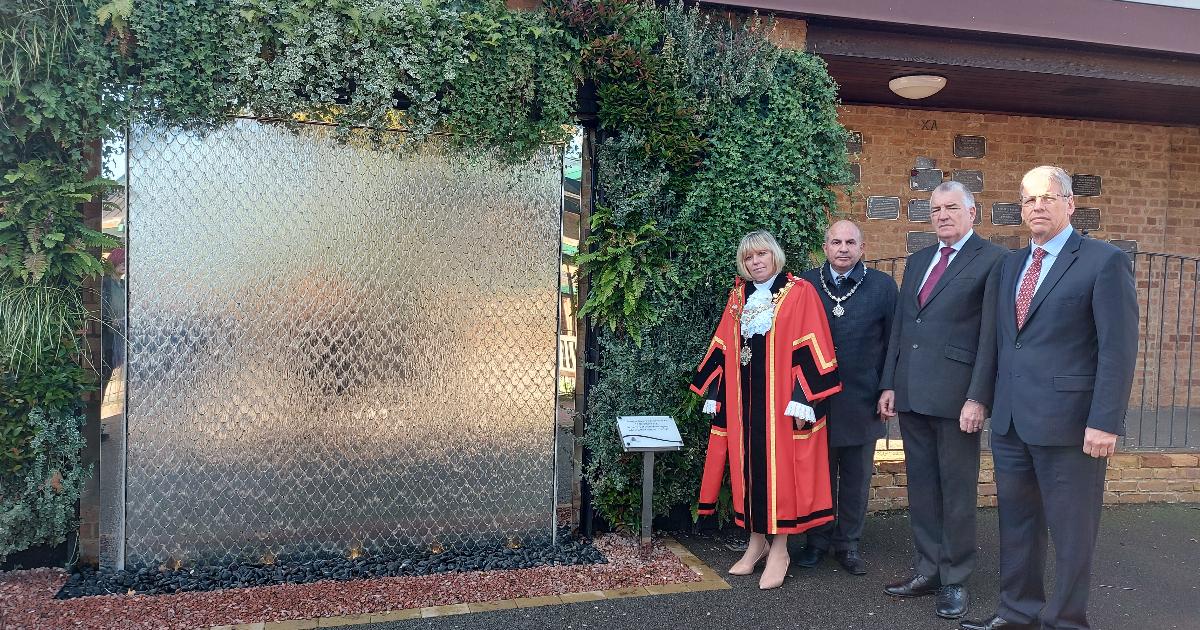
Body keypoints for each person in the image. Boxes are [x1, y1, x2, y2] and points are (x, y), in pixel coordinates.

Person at [962, 166, 1138, 630]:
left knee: (1072, 532)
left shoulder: (1103, 261)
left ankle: (1065, 621)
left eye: (1047, 197)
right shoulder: (1009, 265)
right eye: (1028, 199)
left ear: (1069, 205)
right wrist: (979, 398)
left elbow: (1117, 350)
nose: (1037, 206)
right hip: (1012, 423)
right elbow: (995, 342)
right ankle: (1017, 611)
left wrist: (1106, 421)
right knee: (1017, 525)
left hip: (1071, 425)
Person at [878, 181, 1004, 620]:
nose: (943, 215)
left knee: (955, 490)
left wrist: (978, 397)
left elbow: (992, 336)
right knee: (924, 488)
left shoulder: (994, 260)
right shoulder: (916, 260)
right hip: (912, 392)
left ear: (973, 212)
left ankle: (955, 579)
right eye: (935, 209)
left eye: (952, 207)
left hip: (956, 398)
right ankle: (927, 569)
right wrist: (889, 383)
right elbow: (902, 325)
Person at [692, 230, 842, 590]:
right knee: (748, 473)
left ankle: (780, 548)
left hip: (782, 405)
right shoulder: (737, 298)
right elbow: (724, 346)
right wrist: (716, 388)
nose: (756, 262)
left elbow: (815, 342)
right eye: (748, 258)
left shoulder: (799, 292)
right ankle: (755, 543)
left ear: (775, 255)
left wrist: (803, 395)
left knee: (782, 475)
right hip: (746, 406)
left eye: (761, 255)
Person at [796, 220, 897, 576]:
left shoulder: (883, 287)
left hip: (863, 398)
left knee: (855, 479)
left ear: (862, 247)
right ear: (825, 247)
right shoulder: (805, 284)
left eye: (850, 242)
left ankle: (848, 544)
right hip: (816, 400)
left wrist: (889, 387)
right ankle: (817, 541)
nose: (843, 248)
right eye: (836, 242)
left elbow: (893, 343)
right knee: (818, 476)